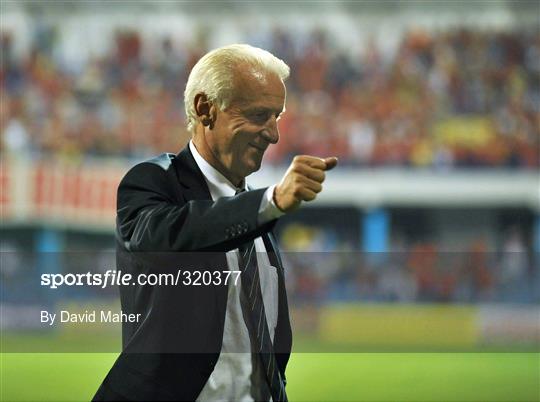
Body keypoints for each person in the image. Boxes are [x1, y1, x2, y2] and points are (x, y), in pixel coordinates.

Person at [93, 44, 337, 402]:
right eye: (258, 115)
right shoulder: (154, 182)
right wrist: (271, 202)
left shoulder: (251, 212)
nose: (273, 134)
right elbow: (164, 239)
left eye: (277, 117)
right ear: (205, 109)